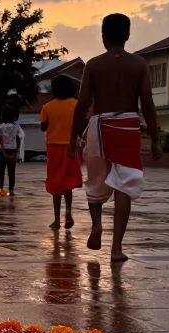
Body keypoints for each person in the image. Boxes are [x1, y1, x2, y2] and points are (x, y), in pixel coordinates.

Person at [69, 13, 162, 262]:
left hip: (100, 127)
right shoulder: (139, 64)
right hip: (128, 126)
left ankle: (97, 224)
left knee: (96, 181)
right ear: (128, 35)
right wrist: (155, 138)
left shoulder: (94, 64)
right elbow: (148, 104)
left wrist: (72, 139)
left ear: (103, 36)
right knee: (125, 186)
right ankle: (117, 248)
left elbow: (81, 105)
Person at [40, 75, 82, 228]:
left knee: (55, 182)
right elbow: (81, 124)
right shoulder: (76, 104)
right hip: (71, 146)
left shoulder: (47, 107)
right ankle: (69, 212)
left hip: (54, 148)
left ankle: (57, 219)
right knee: (68, 182)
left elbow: (43, 127)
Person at [0, 109, 23, 194]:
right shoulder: (16, 127)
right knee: (11, 172)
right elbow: (18, 139)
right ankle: (11, 190)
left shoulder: (0, 127)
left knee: (1, 171)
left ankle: (0, 189)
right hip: (13, 150)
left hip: (3, 150)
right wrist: (16, 152)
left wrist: (3, 152)